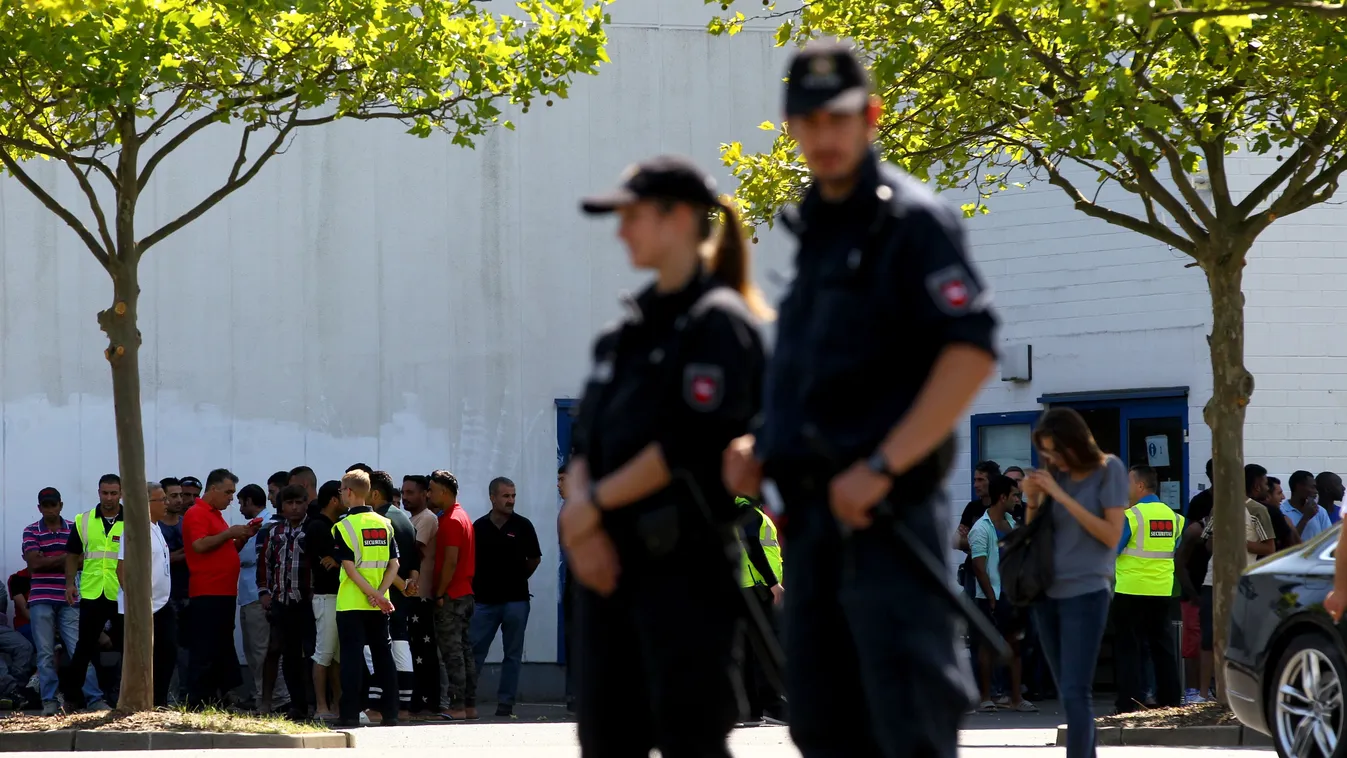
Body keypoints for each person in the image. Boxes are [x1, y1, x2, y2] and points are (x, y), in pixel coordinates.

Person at [721, 38, 996, 758]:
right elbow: (816, 370)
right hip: (812, 528)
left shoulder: (909, 222)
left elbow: (969, 350)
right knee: (821, 726)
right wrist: (761, 440)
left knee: (903, 727)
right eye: (808, 121)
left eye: (838, 118)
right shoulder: (817, 226)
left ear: (870, 117)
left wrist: (880, 464)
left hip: (887, 523)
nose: (823, 136)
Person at [562, 152, 769, 758]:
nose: (621, 231)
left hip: (683, 572)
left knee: (691, 739)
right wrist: (584, 524)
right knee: (606, 739)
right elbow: (586, 444)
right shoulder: (624, 331)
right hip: (607, 571)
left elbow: (687, 444)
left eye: (632, 216)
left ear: (678, 218)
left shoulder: (719, 323)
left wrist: (590, 507)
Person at [1020, 409, 1126, 758]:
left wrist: (1061, 495)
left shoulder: (1108, 469)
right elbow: (1034, 535)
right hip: (1046, 593)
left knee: (1076, 690)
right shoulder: (1054, 475)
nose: (1051, 460)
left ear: (1075, 444)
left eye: (1055, 451)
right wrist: (1033, 500)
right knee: (1067, 693)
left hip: (1086, 591)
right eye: (1046, 454)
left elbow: (1111, 535)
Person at [331, 469, 400, 728]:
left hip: (351, 602)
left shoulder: (343, 526)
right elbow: (394, 565)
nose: (341, 495)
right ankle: (391, 713)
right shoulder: (385, 524)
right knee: (384, 655)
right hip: (381, 603)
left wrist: (372, 595)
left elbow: (349, 568)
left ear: (348, 491)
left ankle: (349, 714)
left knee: (351, 658)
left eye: (341, 490)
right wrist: (380, 594)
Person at [1111, 465, 1183, 714]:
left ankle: (1128, 703)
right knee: (1162, 647)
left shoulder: (1131, 516)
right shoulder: (1174, 517)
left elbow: (1113, 550)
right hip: (1161, 591)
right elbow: (1174, 547)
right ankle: (1171, 701)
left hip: (1130, 590)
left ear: (1140, 486)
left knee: (1128, 648)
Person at [183, 468, 257, 708]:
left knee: (220, 645)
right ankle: (199, 699)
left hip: (223, 591)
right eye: (227, 492)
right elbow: (199, 545)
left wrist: (242, 537)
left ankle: (219, 695)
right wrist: (228, 533)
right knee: (206, 647)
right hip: (207, 591)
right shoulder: (197, 513)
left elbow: (223, 550)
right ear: (213, 489)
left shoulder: (215, 514)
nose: (231, 498)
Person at [470, 477, 542, 718]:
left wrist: (517, 578)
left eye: (513, 496)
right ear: (492, 497)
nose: (510, 500)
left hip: (516, 601)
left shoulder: (523, 526)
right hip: (485, 602)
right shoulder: (478, 527)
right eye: (505, 496)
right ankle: (467, 701)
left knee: (512, 654)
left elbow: (534, 559)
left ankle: (505, 704)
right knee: (475, 651)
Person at [24, 487, 99, 715]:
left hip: (68, 598)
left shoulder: (75, 528)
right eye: (45, 505)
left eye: (53, 504)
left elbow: (84, 562)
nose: (50, 509)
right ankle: (50, 702)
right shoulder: (31, 530)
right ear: (39, 508)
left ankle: (95, 699)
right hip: (41, 599)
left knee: (79, 650)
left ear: (60, 505)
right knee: (45, 653)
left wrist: (52, 559)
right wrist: (68, 558)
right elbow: (34, 564)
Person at [969, 475, 1034, 714]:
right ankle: (986, 697)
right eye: (1015, 495)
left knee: (1015, 646)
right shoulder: (982, 528)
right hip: (990, 597)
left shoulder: (1012, 524)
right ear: (1002, 497)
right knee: (987, 647)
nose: (1019, 499)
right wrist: (991, 596)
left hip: (1012, 596)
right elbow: (978, 565)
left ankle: (1015, 698)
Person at [62, 474, 124, 711]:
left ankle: (124, 695)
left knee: (127, 646)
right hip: (91, 591)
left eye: (113, 493)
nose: (109, 498)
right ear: (98, 492)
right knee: (84, 648)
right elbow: (72, 554)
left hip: (121, 592)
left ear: (121, 493)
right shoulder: (84, 520)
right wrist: (70, 583)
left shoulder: (133, 520)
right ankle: (72, 699)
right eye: (104, 493)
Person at [116, 482, 176, 706]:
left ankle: (158, 702)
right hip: (144, 608)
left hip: (160, 603)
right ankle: (143, 703)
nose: (166, 504)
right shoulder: (135, 530)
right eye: (161, 500)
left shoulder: (155, 527)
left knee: (166, 654)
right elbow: (121, 569)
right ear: (146, 504)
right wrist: (136, 606)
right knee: (148, 659)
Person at [258, 484, 314, 720]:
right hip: (282, 600)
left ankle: (313, 702)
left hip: (307, 602)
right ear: (281, 506)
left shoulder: (312, 529)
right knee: (287, 654)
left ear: (306, 503)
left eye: (299, 502)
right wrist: (264, 592)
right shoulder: (274, 531)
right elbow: (265, 564)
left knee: (311, 653)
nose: (294, 508)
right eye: (289, 503)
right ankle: (295, 704)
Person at [365, 470, 417, 721]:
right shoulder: (405, 519)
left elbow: (385, 561)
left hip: (385, 596)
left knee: (377, 650)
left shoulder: (379, 521)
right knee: (400, 646)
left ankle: (376, 706)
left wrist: (400, 585)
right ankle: (404, 706)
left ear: (374, 493)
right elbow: (414, 560)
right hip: (404, 598)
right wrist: (410, 584)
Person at [431, 470, 478, 721]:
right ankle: (469, 705)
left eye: (432, 489)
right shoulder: (463, 516)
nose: (429, 494)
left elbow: (450, 561)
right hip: (465, 593)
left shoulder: (451, 520)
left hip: (452, 595)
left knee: (452, 654)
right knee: (464, 650)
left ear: (445, 492)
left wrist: (439, 592)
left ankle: (457, 705)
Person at [736, 495, 786, 727]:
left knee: (749, 648)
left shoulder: (739, 510)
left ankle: (752, 710)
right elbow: (753, 546)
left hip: (747, 586)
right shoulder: (748, 512)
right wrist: (773, 583)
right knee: (765, 646)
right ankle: (773, 705)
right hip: (759, 585)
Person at [237, 483, 288, 711]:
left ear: (249, 501)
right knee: (255, 650)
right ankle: (262, 695)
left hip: (258, 595)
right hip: (249, 594)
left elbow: (249, 555)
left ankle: (274, 697)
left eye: (240, 502)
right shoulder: (256, 524)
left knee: (261, 649)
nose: (239, 507)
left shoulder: (266, 524)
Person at [305, 479, 346, 719]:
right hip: (326, 597)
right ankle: (321, 706)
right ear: (333, 499)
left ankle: (337, 706)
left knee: (337, 656)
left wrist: (339, 560)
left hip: (340, 597)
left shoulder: (338, 525)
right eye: (343, 495)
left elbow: (339, 559)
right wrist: (340, 561)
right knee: (324, 653)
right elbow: (327, 563)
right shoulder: (318, 527)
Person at [1282, 470, 1330, 542]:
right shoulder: (1281, 511)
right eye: (1312, 487)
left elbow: (1328, 540)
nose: (1316, 491)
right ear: (1299, 487)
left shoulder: (1320, 511)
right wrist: (1306, 517)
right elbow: (1287, 543)